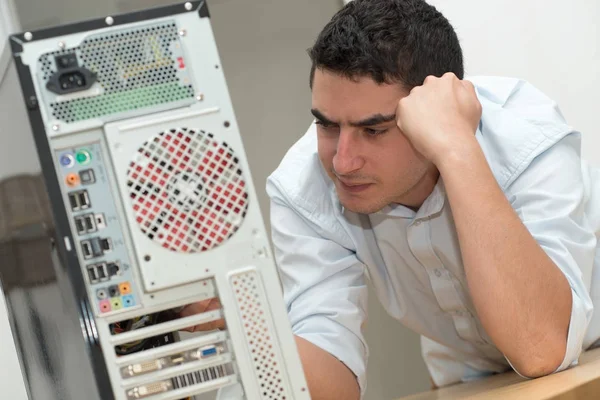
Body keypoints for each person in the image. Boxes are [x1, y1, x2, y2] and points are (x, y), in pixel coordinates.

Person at [182, 0, 600, 399]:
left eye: (374, 130)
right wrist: (239, 317)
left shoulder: (525, 135)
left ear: (430, 112)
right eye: (326, 126)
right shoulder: (304, 186)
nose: (343, 162)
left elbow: (543, 346)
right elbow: (336, 385)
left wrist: (455, 149)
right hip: (470, 380)